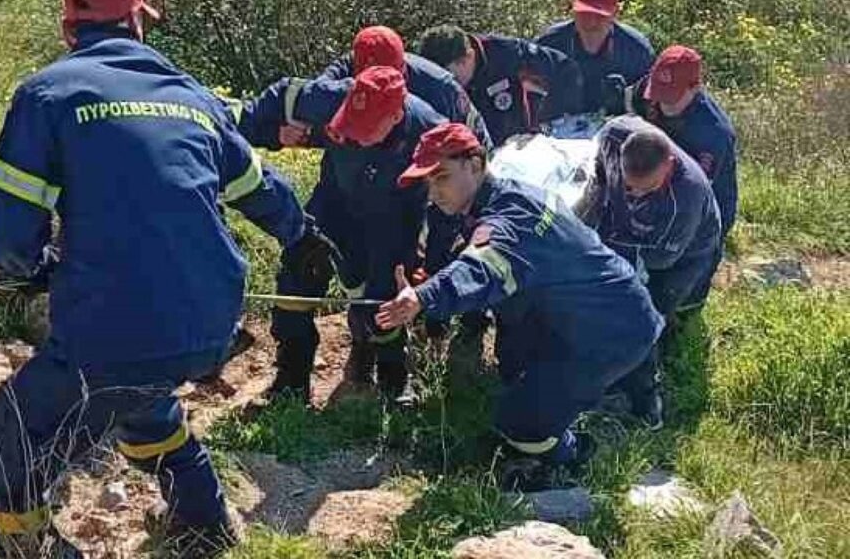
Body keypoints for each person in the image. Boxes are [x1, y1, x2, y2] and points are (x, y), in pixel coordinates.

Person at [0, 0, 331, 558]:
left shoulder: (48, 95)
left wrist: (28, 270)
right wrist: (303, 237)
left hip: (116, 326)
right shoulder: (191, 96)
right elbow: (260, 188)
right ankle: (204, 520)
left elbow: (10, 226)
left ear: (68, 29)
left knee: (1, 446)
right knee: (139, 396)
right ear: (138, 23)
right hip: (212, 320)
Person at [375, 123, 662, 489]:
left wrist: (424, 297)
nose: (434, 192)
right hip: (607, 306)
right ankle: (619, 392)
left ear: (475, 165)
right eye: (428, 182)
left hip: (608, 334)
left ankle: (574, 453)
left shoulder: (507, 222)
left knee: (519, 423)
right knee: (514, 361)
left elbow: (483, 264)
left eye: (441, 177)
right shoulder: (512, 193)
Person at [236, 66, 446, 406]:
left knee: (383, 293)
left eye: (367, 130)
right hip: (334, 203)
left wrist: (430, 259)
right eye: (352, 124)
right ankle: (291, 379)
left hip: (394, 219)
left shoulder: (430, 130)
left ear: (396, 116)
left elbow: (456, 195)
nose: (356, 137)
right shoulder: (329, 97)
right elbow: (272, 101)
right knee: (298, 272)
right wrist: (272, 132)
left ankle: (393, 379)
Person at [576, 115, 722, 428]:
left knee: (643, 316)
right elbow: (600, 170)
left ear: (668, 165)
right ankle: (610, 373)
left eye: (646, 189)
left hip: (679, 255)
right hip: (628, 234)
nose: (635, 195)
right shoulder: (615, 135)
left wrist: (600, 251)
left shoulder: (686, 197)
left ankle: (645, 403)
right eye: (629, 187)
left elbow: (658, 260)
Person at [306, 25, 493, 149]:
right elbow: (313, 97)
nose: (381, 83)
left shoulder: (440, 88)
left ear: (403, 67)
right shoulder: (348, 67)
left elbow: (476, 142)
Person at [417, 24, 584, 146]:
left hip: (518, 145)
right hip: (473, 154)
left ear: (468, 57)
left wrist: (549, 120)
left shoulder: (506, 53)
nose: (447, 84)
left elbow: (565, 68)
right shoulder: (429, 80)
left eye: (450, 76)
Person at [640, 45, 738, 244]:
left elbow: (693, 189)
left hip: (700, 214)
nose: (663, 104)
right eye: (659, 93)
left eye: (671, 97)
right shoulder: (651, 92)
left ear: (694, 88)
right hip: (655, 183)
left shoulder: (713, 134)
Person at [536, 0, 655, 116]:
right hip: (556, 126)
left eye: (600, 16)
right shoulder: (549, 44)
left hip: (616, 126)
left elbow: (649, 108)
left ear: (615, 13)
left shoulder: (637, 51)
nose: (591, 22)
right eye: (585, 13)